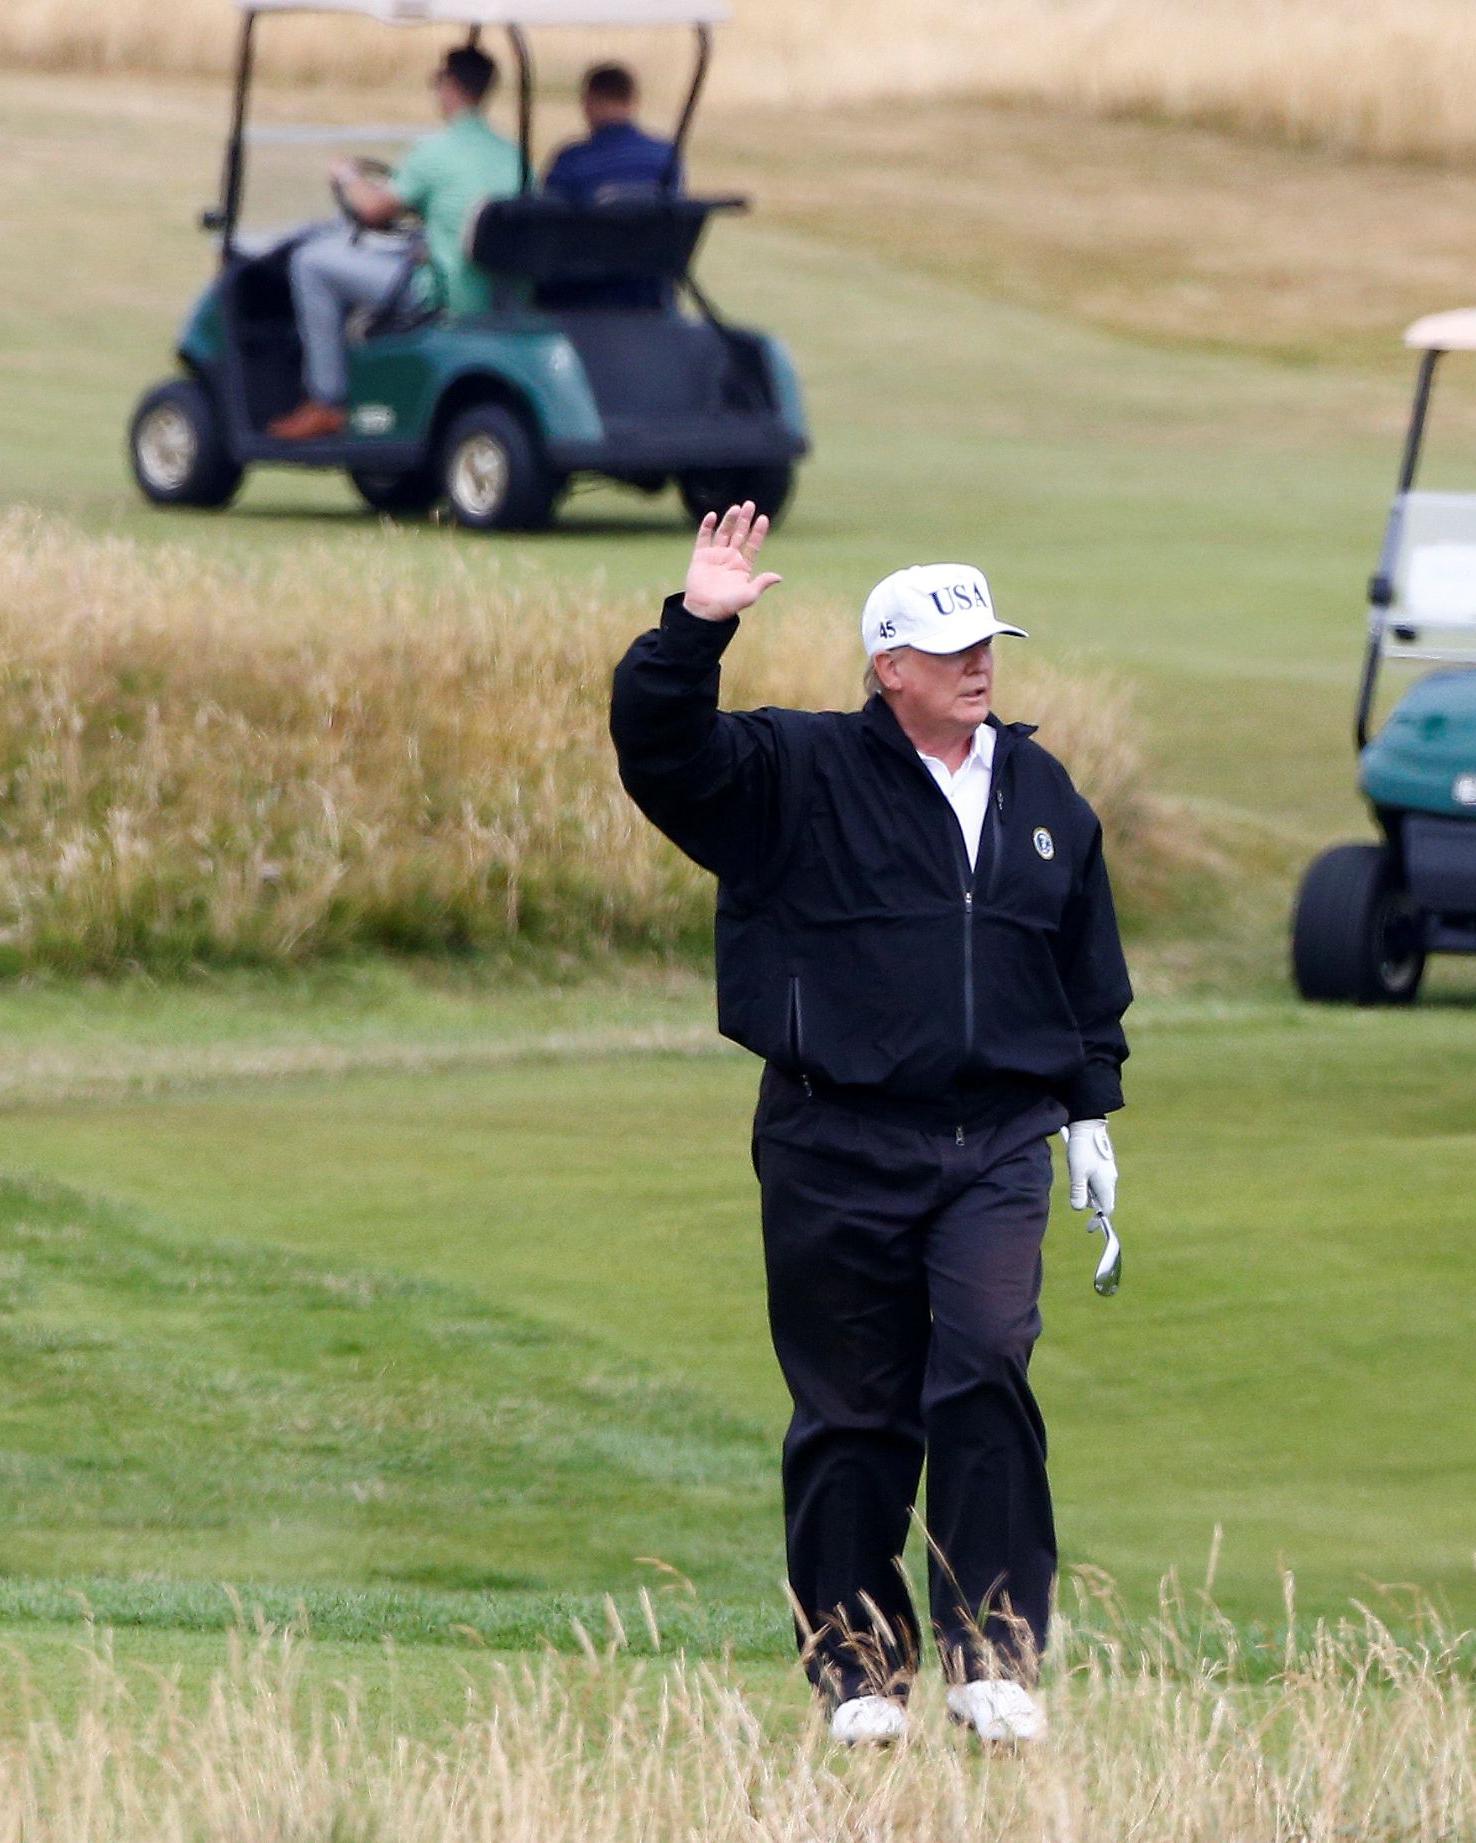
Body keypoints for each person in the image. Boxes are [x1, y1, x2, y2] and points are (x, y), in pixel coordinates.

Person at [609, 504, 1133, 1751]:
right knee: (850, 1405)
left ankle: (992, 1654)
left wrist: (1090, 1108)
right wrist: (693, 629)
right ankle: (857, 1670)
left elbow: (1084, 965)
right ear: (886, 666)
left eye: (986, 642)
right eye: (950, 647)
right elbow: (659, 754)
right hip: (831, 1136)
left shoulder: (1041, 791)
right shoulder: (792, 775)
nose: (978, 664)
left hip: (995, 1134)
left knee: (988, 1357)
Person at [268, 44, 523, 442]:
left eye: (438, 81)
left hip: (440, 295)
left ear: (450, 86)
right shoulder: (513, 156)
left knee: (310, 264)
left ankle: (326, 400)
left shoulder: (436, 152)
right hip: (496, 292)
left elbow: (372, 209)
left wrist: (347, 175)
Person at [542, 62, 676, 202]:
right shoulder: (666, 157)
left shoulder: (573, 161)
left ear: (590, 102)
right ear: (633, 101)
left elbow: (548, 215)